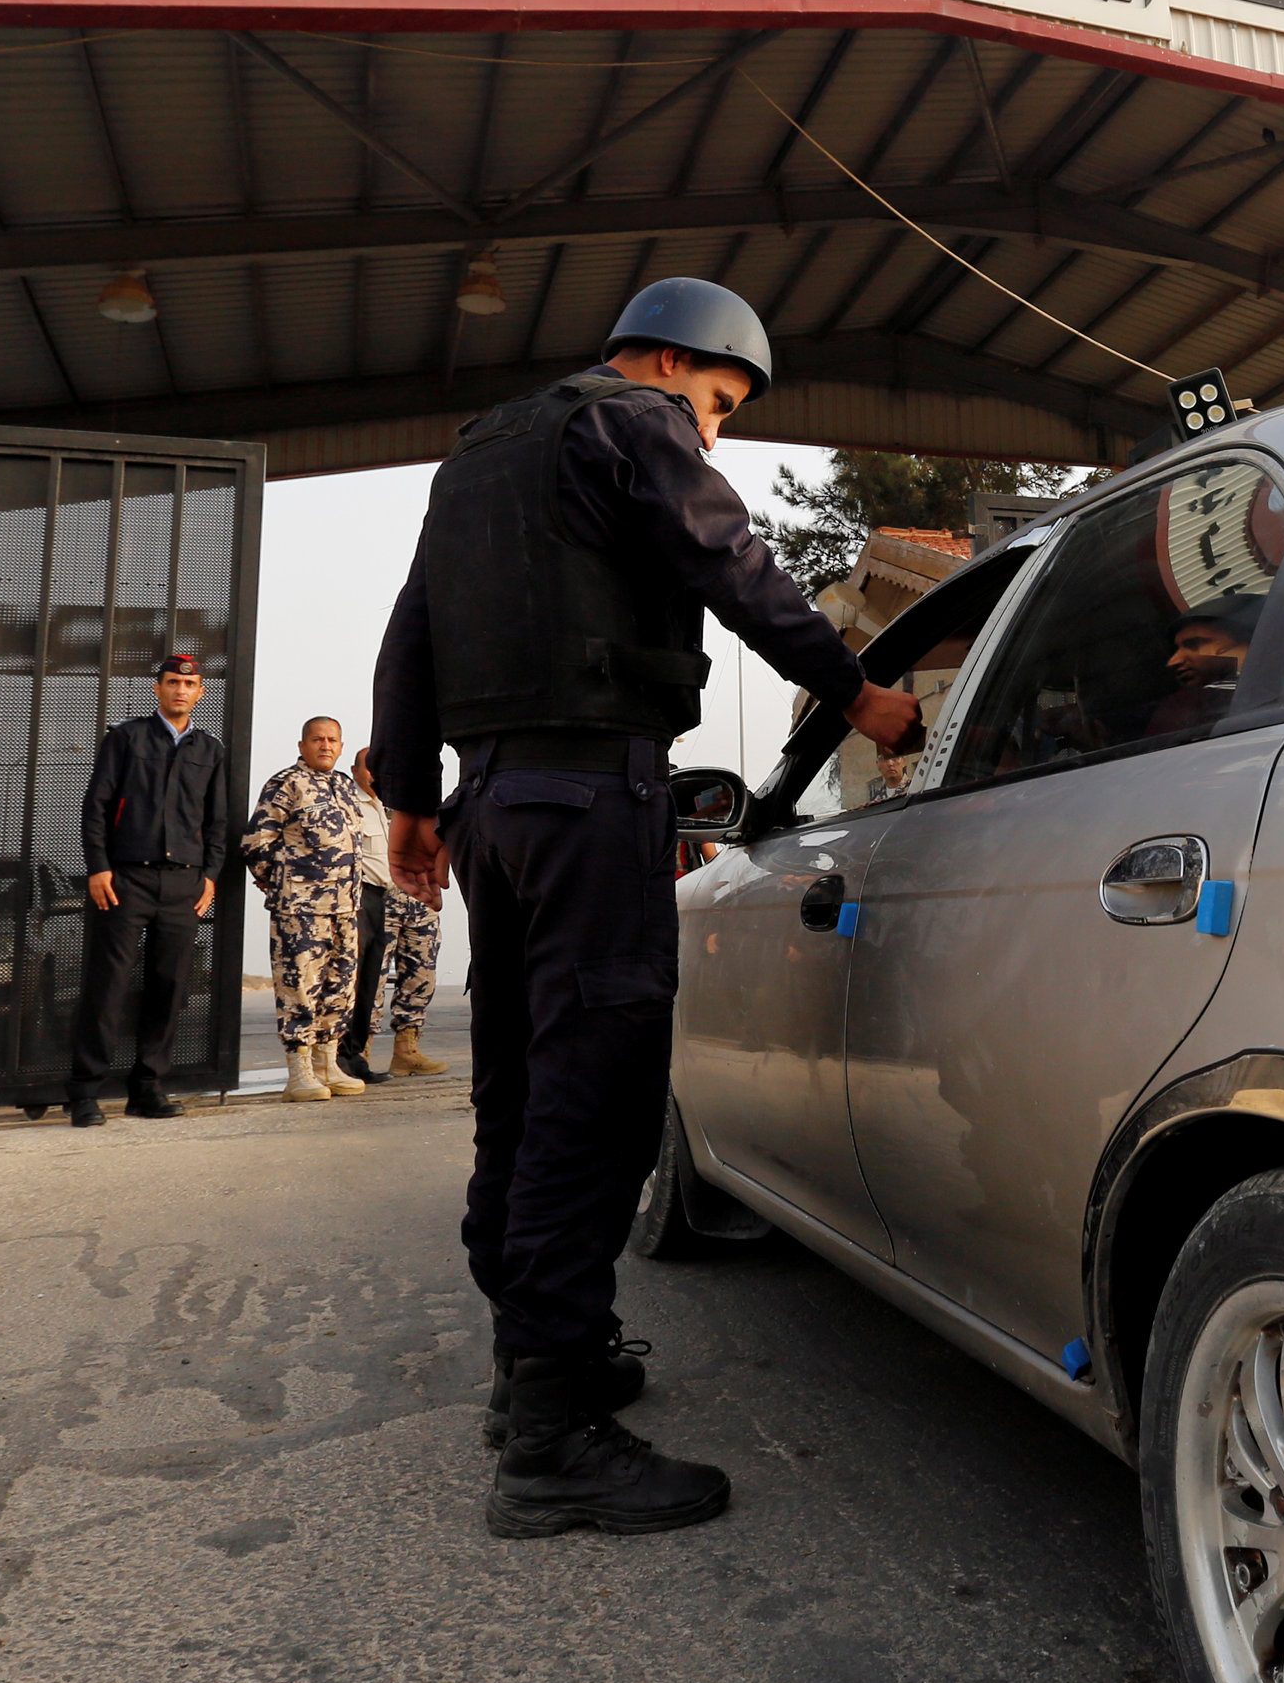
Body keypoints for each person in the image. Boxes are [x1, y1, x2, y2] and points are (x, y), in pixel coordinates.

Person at [366, 275, 920, 1541]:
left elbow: (413, 628)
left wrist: (409, 795)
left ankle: (533, 1366)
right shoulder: (633, 422)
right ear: (672, 360)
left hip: (492, 806)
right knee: (596, 1103)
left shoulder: (481, 453)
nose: (712, 430)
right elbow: (732, 562)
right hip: (589, 802)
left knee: (518, 1092)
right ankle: (553, 1444)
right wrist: (856, 693)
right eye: (719, 401)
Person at [72, 653, 231, 1127]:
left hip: (183, 884)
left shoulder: (209, 749)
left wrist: (210, 875)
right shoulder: (126, 737)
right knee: (108, 987)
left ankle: (147, 1089)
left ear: (200, 692)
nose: (181, 690)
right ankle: (84, 1092)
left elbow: (217, 820)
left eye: (190, 684)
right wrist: (99, 867)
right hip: (126, 881)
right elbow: (96, 806)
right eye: (172, 682)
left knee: (170, 987)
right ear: (158, 688)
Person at [241, 715, 376, 1104]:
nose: (325, 746)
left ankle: (327, 1064)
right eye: (317, 739)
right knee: (299, 988)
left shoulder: (345, 788)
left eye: (332, 740)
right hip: (301, 911)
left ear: (341, 746)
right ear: (302, 746)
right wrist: (281, 882)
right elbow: (256, 842)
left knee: (340, 988)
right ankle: (299, 1072)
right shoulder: (286, 784)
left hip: (345, 909)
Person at [339, 758, 449, 1085]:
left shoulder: (409, 804)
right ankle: (361, 1051)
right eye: (368, 767)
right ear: (355, 771)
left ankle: (407, 1050)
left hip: (416, 899)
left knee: (421, 973)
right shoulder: (348, 804)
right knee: (370, 980)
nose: (375, 774)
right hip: (376, 900)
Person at [1142, 593, 1262, 739]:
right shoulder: (1181, 708)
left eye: (1194, 644)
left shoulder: (1283, 688)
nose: (1173, 661)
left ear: (1248, 643)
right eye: (1176, 650)